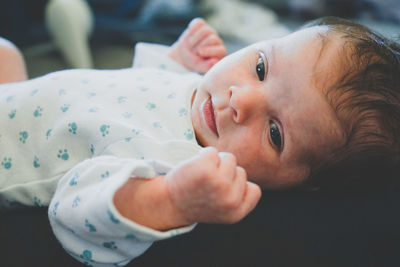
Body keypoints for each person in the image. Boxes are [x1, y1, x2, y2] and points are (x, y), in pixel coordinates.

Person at [0, 16, 399, 266]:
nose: (240, 100)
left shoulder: (178, 166)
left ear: (301, 184)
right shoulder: (203, 95)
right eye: (260, 67)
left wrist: (171, 200)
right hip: (21, 94)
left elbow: (73, 213)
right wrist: (176, 60)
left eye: (275, 132)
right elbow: (132, 93)